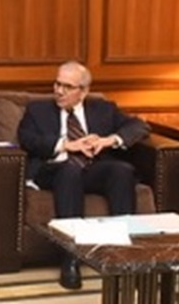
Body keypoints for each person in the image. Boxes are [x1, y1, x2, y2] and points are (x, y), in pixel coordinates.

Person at [17, 60, 150, 289]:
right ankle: (71, 258)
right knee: (70, 170)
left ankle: (123, 255)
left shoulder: (103, 109)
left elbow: (139, 126)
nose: (59, 91)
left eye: (67, 87)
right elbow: (26, 138)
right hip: (54, 169)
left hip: (91, 168)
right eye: (57, 84)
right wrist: (65, 145)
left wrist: (108, 140)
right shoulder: (37, 110)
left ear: (84, 91)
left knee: (121, 170)